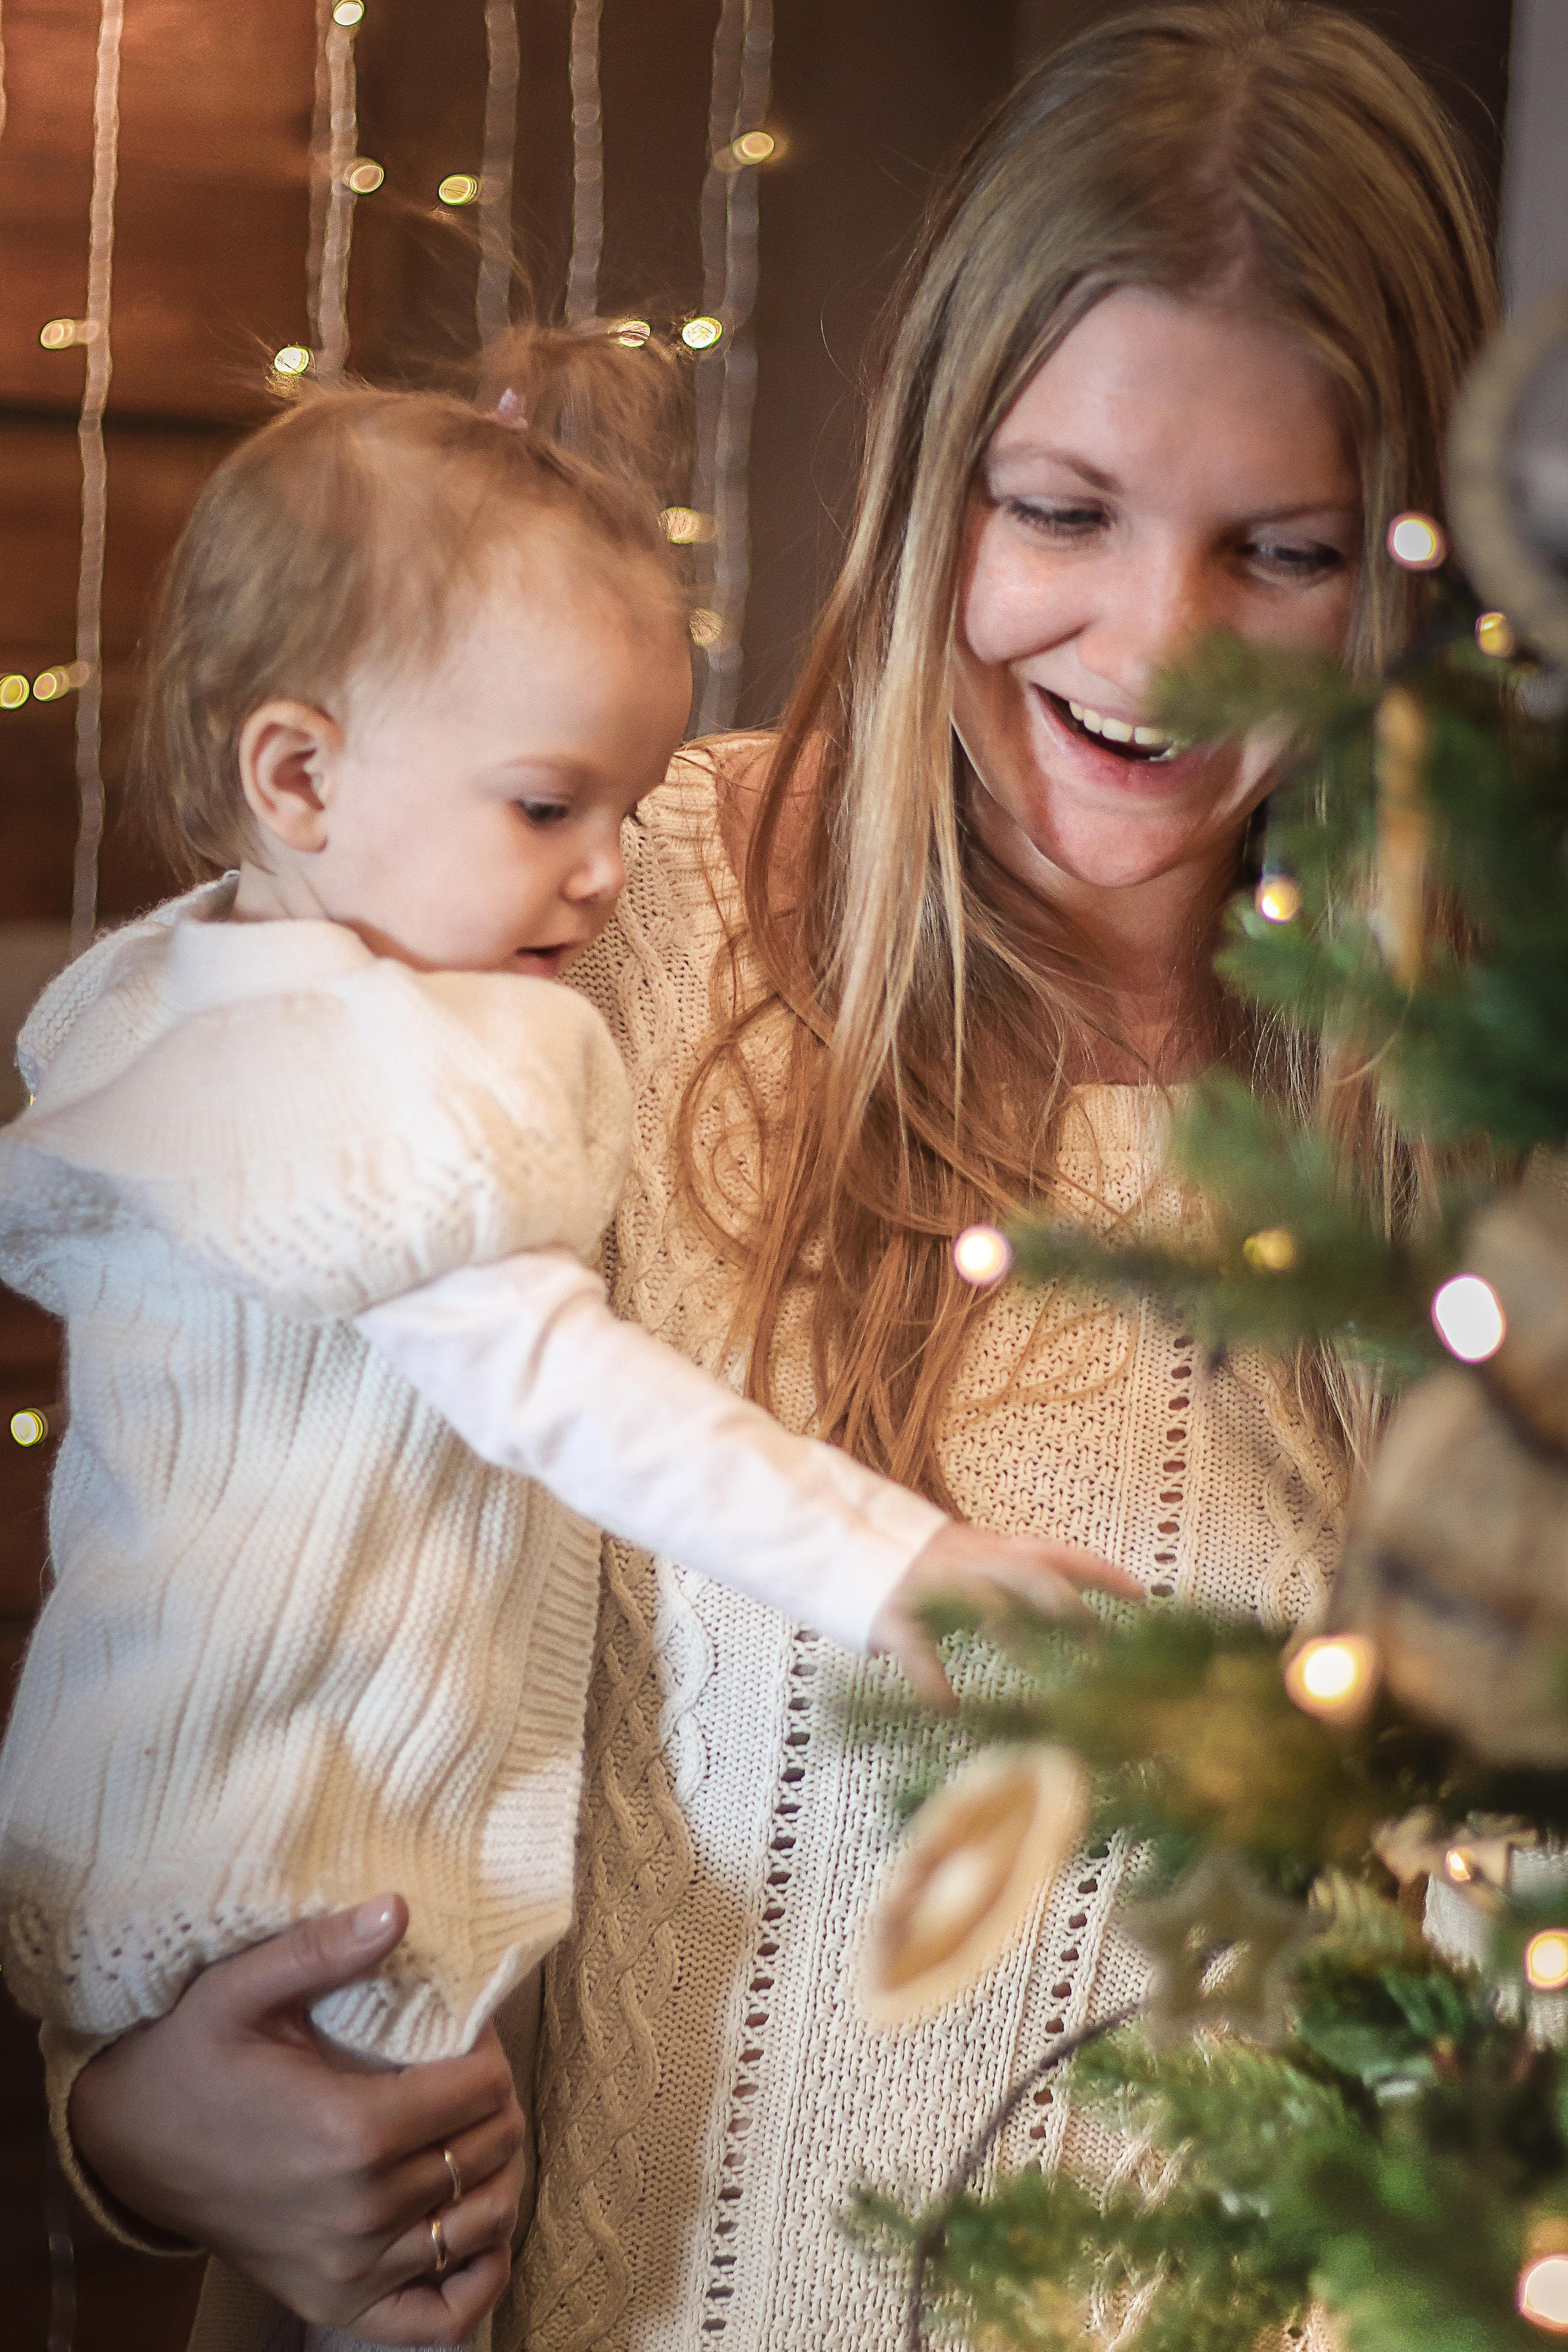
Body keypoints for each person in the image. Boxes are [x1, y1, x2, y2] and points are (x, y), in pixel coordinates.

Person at [52, 4, 1498, 2347]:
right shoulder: (589, 933)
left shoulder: (1481, 1109)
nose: (1160, 648)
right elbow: (216, 1544)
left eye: (1291, 550)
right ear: (936, 466)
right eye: (1062, 511)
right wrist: (130, 2117)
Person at [0, 332, 1126, 2343]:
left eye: (617, 797)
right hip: (298, 1856)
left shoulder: (210, 994)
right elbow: (566, 1386)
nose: (608, 870)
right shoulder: (354, 1087)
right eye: (546, 806)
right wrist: (898, 1562)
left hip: (208, 1838)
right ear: (301, 774)